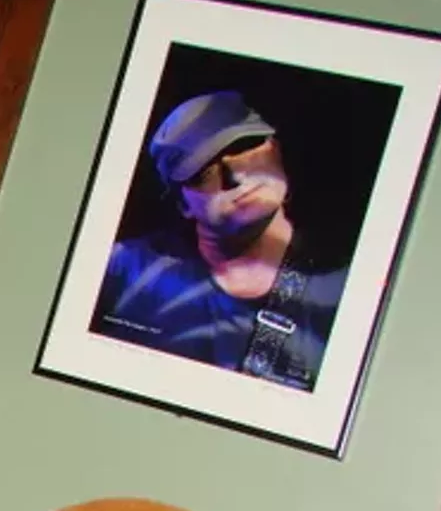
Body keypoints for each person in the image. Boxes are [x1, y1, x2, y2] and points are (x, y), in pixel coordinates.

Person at [92, 90, 346, 392]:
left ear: (276, 149)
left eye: (245, 148)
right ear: (183, 204)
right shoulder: (121, 269)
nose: (235, 175)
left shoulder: (346, 287)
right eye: (204, 173)